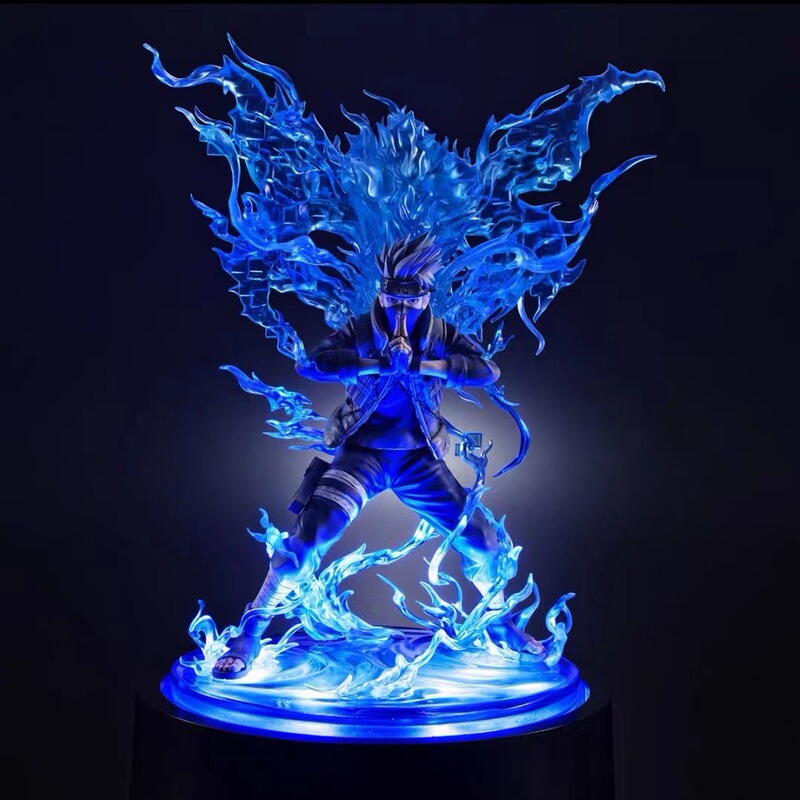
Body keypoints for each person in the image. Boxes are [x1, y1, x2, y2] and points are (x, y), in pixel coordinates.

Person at [213, 234, 543, 679]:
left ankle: (498, 621)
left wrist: (425, 366)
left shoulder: (441, 334)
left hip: (419, 463)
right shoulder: (360, 331)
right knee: (302, 546)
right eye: (393, 299)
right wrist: (376, 363)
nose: (401, 312)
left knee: (484, 542)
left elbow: (487, 370)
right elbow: (311, 365)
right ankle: (250, 631)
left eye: (413, 300)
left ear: (427, 295)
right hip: (361, 458)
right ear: (381, 293)